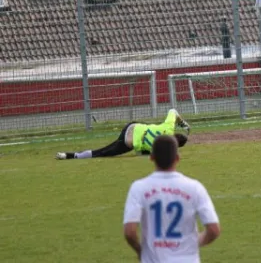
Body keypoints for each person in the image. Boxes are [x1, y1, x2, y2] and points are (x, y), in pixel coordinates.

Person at [123, 135, 221, 262]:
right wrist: (194, 242)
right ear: (177, 158)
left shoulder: (139, 188)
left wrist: (140, 251)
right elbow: (213, 230)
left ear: (152, 157)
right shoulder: (194, 187)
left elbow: (130, 232)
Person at [55, 109, 190, 160]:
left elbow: (173, 110)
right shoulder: (163, 150)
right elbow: (139, 153)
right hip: (129, 141)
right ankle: (70, 155)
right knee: (102, 152)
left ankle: (69, 155)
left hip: (133, 126)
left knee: (148, 126)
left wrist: (182, 123)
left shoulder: (168, 127)